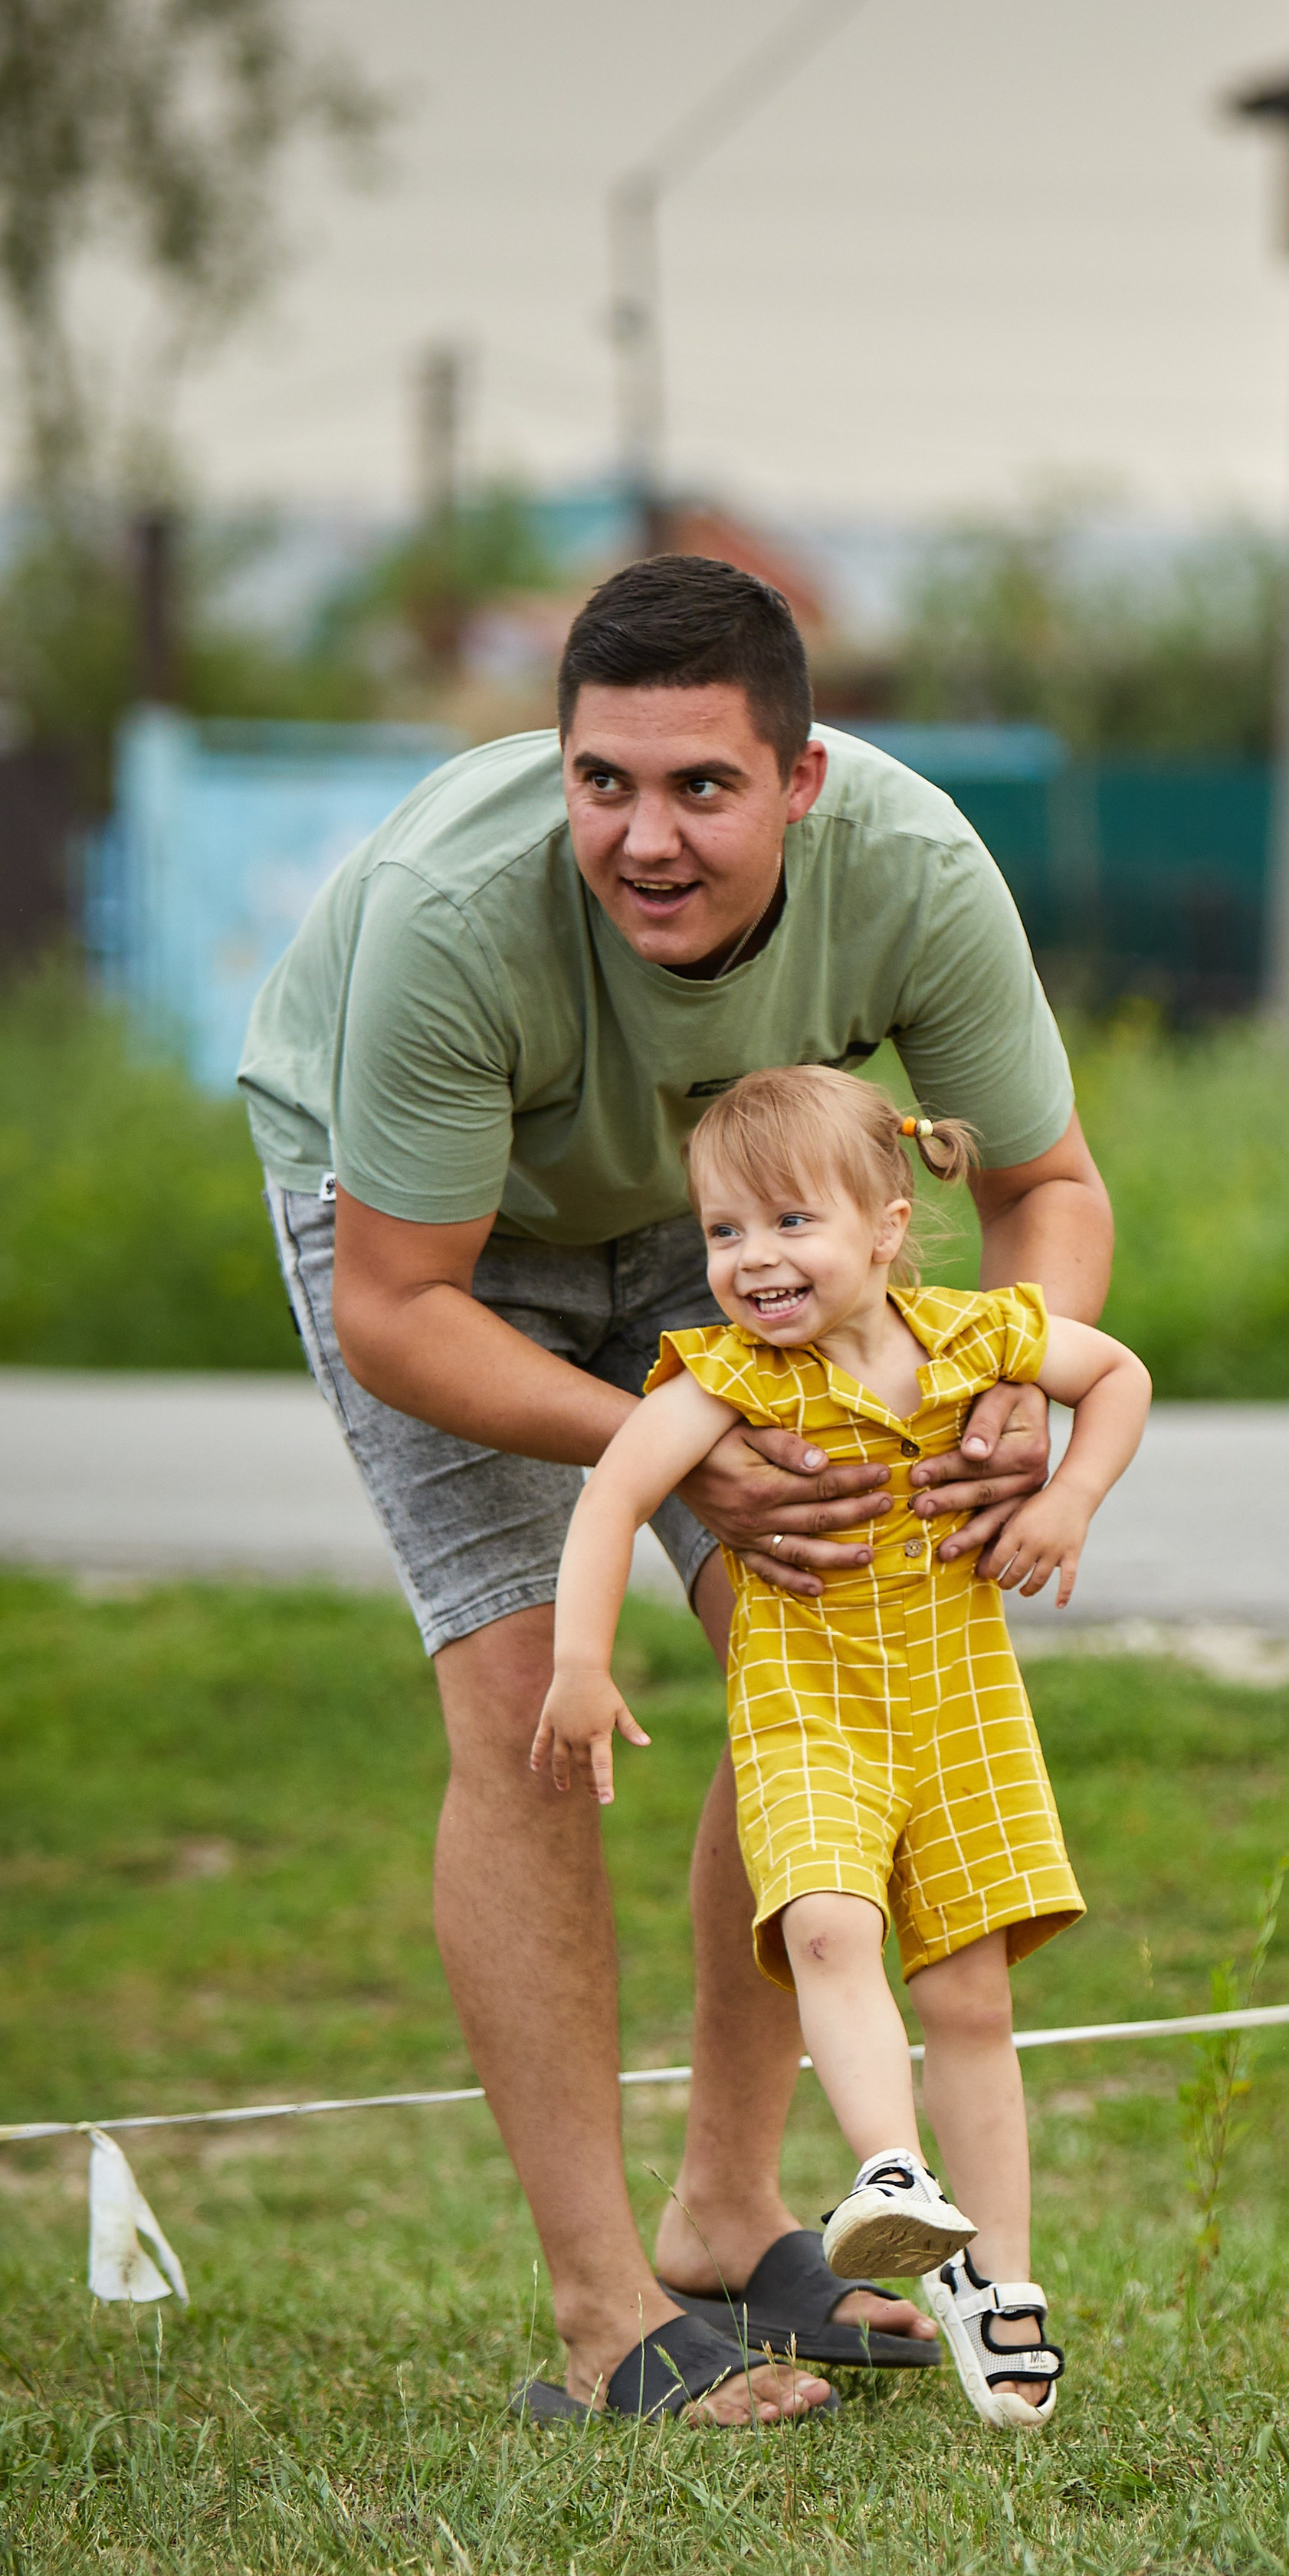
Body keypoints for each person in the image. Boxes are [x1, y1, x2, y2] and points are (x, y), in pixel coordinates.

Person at [238, 553, 1114, 2426]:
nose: (642, 836)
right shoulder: (450, 913)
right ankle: (601, 2314)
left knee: (812, 1638)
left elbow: (1048, 1187)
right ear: (558, 766)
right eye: (601, 781)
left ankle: (727, 2220)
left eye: (700, 787)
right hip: (433, 1235)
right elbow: (401, 1308)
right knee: (513, 1696)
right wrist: (678, 1441)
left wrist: (1000, 1388)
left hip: (738, 1225)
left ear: (800, 783)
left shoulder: (913, 866)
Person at [532, 1068, 1150, 2428]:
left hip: (964, 1717)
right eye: (723, 1234)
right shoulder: (731, 1378)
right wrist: (580, 1665)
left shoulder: (980, 1340)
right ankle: (888, 2176)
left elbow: (1118, 1376)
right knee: (823, 1927)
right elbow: (617, 1494)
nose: (751, 1262)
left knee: (975, 2005)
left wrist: (1074, 1500)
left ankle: (1001, 2290)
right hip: (809, 1714)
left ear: (883, 1229)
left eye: (788, 1224)